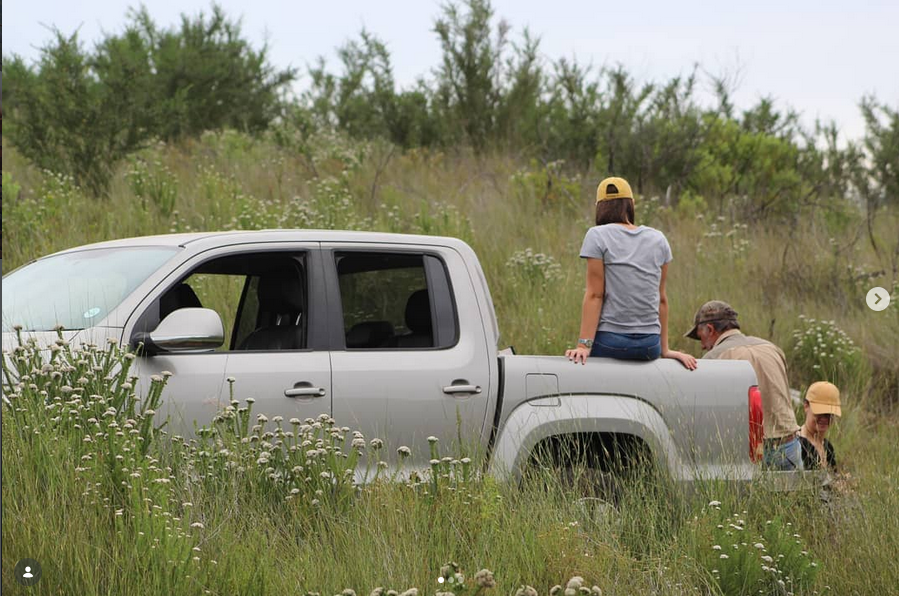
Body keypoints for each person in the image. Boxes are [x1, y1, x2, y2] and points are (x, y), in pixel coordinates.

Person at [565, 176, 696, 370]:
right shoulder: (658, 239)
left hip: (611, 342)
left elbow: (595, 294)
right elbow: (661, 299)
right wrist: (665, 350)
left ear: (599, 206)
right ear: (631, 204)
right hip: (650, 345)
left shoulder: (596, 235)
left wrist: (583, 345)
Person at [684, 300, 802, 470]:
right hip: (790, 444)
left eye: (700, 336)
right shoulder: (772, 349)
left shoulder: (714, 359)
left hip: (750, 452)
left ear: (710, 329)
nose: (702, 346)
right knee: (794, 496)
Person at [798, 381, 840, 470]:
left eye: (829, 414)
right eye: (820, 412)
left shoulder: (828, 447)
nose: (824, 418)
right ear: (806, 406)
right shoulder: (798, 445)